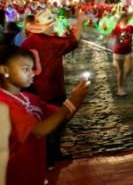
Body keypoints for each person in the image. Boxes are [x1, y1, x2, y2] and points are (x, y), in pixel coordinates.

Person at [0, 47, 89, 185]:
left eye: (32, 68)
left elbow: (59, 118)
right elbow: (41, 129)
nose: (33, 73)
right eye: (25, 69)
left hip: (35, 169)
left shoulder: (29, 97)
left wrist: (77, 99)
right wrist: (72, 102)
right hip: (14, 174)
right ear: (5, 71)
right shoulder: (4, 103)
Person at [20, 10, 86, 166]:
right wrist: (80, 22)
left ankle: (41, 154)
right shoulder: (51, 43)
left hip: (31, 89)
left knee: (38, 122)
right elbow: (74, 41)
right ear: (48, 26)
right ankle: (52, 156)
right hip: (51, 89)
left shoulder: (27, 42)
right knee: (56, 122)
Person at [110, 13, 133, 96]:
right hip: (118, 51)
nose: (125, 20)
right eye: (124, 19)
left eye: (127, 19)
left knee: (129, 69)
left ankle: (122, 80)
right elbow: (112, 38)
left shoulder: (130, 28)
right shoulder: (116, 29)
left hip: (128, 51)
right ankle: (120, 88)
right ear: (121, 19)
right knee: (120, 70)